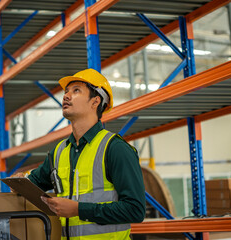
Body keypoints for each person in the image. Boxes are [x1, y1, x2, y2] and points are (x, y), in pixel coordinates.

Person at [20, 68, 145, 239]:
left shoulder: (115, 148)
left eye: (76, 90)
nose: (66, 96)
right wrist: (21, 181)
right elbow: (34, 183)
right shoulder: (60, 151)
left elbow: (135, 210)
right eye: (66, 91)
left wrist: (78, 210)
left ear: (95, 101)